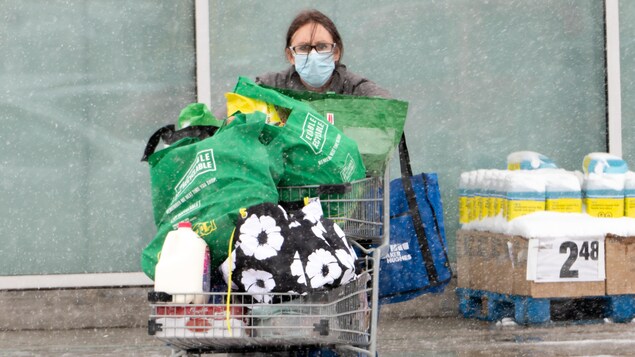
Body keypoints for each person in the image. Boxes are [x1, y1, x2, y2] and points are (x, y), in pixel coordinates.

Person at [255, 9, 391, 99]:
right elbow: (240, 111)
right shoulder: (270, 87)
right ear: (291, 56)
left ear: (336, 52)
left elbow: (388, 112)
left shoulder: (358, 91)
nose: (313, 55)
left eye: (322, 46)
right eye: (304, 48)